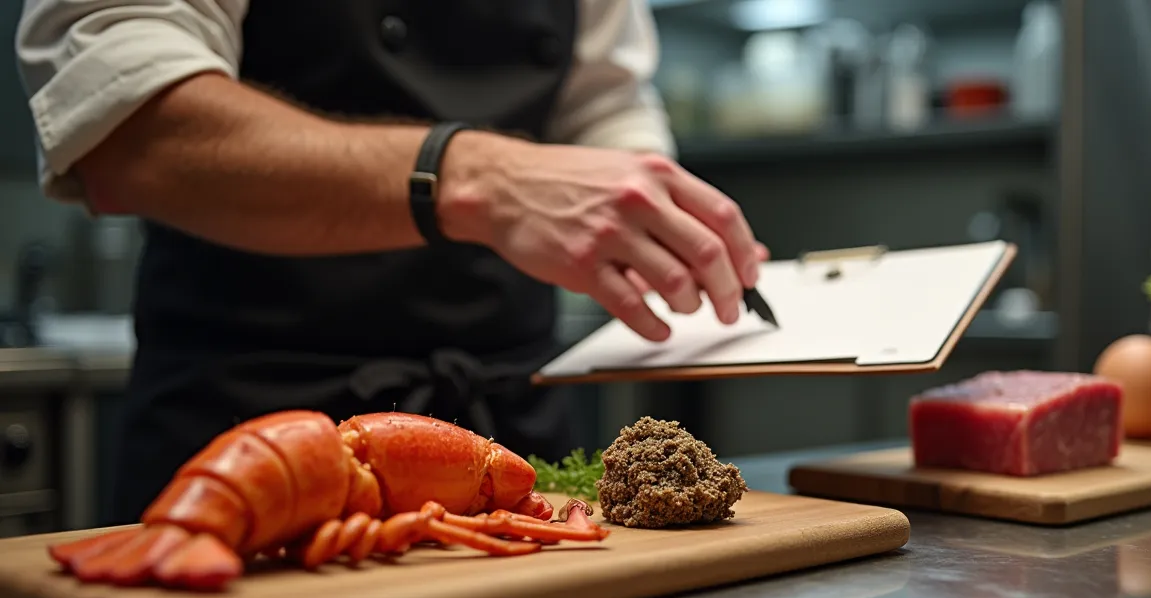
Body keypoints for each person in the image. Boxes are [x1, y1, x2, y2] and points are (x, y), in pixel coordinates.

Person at [15, 0, 768, 525]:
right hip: (260, 435)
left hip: (514, 438)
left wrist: (653, 207)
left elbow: (604, 99)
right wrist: (483, 179)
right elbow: (127, 130)